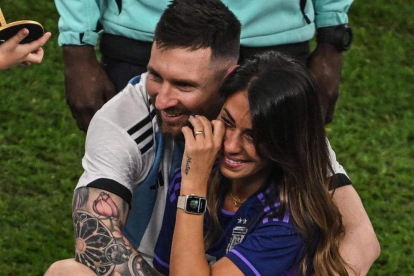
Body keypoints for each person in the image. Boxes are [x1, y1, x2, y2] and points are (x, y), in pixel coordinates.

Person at [45, 1, 379, 275]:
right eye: (155, 76)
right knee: (67, 272)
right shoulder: (122, 120)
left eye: (185, 85)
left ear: (227, 78)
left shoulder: (275, 127)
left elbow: (362, 241)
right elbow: (96, 235)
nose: (162, 100)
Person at [154, 51, 352, 276]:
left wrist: (192, 189)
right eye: (227, 122)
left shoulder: (287, 222)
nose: (230, 146)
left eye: (253, 136)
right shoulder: (192, 180)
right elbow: (164, 271)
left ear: (286, 141)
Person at [55, 0, 353, 131]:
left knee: (270, 199)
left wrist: (333, 37)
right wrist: (76, 44)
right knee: (136, 191)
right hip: (145, 42)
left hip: (272, 41)